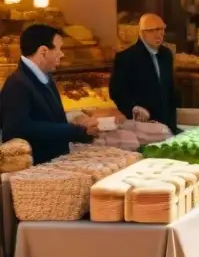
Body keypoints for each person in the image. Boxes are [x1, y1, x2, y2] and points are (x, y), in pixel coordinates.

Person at [0, 25, 98, 163]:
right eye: (58, 49)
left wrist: (73, 119)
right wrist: (75, 131)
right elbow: (18, 129)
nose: (62, 54)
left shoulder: (44, 77)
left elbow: (44, 118)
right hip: (34, 171)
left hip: (53, 164)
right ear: (43, 51)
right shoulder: (18, 84)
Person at [110, 13, 178, 131]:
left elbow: (169, 89)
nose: (160, 34)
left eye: (162, 29)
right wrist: (132, 108)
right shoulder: (126, 57)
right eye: (154, 30)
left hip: (166, 124)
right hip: (141, 124)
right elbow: (116, 91)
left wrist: (173, 123)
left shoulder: (166, 55)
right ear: (142, 33)